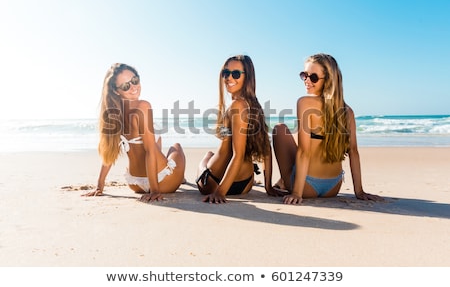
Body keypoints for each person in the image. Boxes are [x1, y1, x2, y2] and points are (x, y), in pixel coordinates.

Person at [272, 53, 383, 205]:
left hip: (307, 187)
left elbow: (304, 152)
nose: (307, 81)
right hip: (333, 187)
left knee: (279, 129)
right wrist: (359, 191)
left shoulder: (305, 103)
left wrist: (297, 193)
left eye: (313, 77)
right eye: (304, 75)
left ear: (328, 80)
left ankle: (284, 182)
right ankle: (282, 182)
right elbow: (353, 152)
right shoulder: (347, 111)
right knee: (299, 134)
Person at [83, 63, 186, 202]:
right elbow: (150, 150)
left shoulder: (113, 113)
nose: (133, 87)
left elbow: (109, 153)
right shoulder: (143, 106)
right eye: (126, 86)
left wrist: (99, 186)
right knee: (176, 147)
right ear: (116, 91)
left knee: (156, 142)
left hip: (135, 184)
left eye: (135, 81)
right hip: (163, 182)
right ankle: (179, 177)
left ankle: (162, 170)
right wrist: (155, 190)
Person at [196, 55, 283, 203]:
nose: (229, 78)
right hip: (245, 184)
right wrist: (268, 186)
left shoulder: (237, 106)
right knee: (212, 153)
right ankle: (209, 158)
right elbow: (266, 147)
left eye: (236, 74)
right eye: (226, 73)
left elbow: (238, 154)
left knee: (205, 159)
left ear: (247, 77)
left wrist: (220, 192)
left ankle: (206, 159)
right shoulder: (255, 106)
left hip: (216, 182)